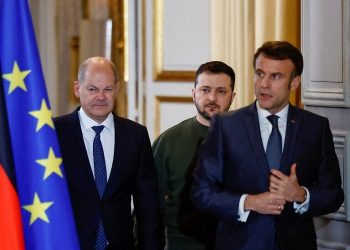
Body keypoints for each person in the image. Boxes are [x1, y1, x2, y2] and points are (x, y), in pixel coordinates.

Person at [192, 41, 344, 250]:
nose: (264, 84)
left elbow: (333, 195)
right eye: (260, 73)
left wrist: (301, 195)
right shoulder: (226, 126)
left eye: (276, 76)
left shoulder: (315, 127)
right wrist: (249, 202)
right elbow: (201, 193)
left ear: (294, 82)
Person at [54, 57, 162, 250]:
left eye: (108, 89)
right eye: (93, 89)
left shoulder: (136, 135)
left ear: (117, 90)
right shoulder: (54, 133)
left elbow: (148, 207)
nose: (101, 97)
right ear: (77, 88)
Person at [152, 61, 236, 250]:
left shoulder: (248, 140)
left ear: (233, 96)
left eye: (221, 91)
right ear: (194, 94)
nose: (212, 98)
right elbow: (149, 207)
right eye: (205, 90)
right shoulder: (168, 142)